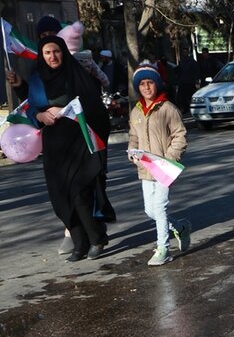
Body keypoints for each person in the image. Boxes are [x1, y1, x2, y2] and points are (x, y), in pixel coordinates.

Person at [6, 35, 110, 261]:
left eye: (56, 51)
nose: (53, 56)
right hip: (54, 145)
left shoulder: (77, 76)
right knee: (60, 196)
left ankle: (96, 238)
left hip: (80, 141)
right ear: (42, 56)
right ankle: (79, 243)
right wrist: (39, 112)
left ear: (63, 52)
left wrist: (68, 109)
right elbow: (33, 106)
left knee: (80, 192)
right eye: (47, 53)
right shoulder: (37, 79)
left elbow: (95, 107)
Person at [127, 63, 191, 266]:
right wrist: (132, 153)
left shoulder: (167, 108)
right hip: (146, 168)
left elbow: (180, 135)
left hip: (164, 167)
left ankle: (163, 248)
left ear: (157, 84)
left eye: (150, 83)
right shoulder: (136, 112)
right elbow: (133, 137)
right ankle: (180, 227)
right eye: (142, 84)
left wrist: (170, 157)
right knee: (150, 211)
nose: (146, 88)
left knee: (160, 207)